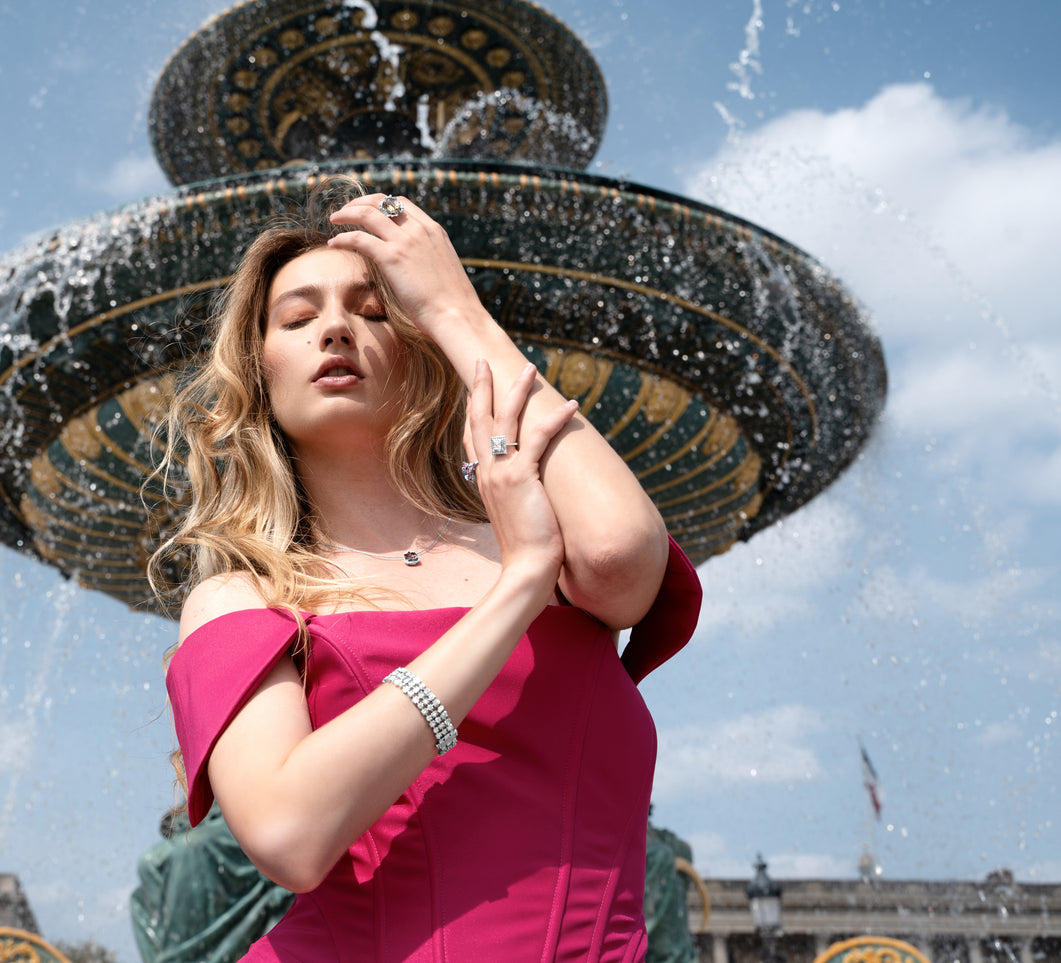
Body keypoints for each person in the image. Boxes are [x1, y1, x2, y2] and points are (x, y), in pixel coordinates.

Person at [152, 181, 702, 961]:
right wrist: (517, 587)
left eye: (374, 311)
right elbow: (288, 833)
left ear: (419, 355)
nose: (336, 328)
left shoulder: (551, 543)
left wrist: (457, 310)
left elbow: (619, 555)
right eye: (298, 318)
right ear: (261, 375)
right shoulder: (246, 598)